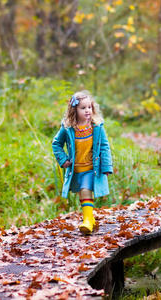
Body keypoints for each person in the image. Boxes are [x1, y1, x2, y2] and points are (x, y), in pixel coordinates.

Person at [52, 90, 113, 234]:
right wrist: (63, 159)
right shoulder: (68, 128)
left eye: (89, 107)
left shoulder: (96, 127)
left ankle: (87, 221)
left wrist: (106, 166)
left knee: (85, 190)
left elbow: (104, 146)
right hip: (76, 169)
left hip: (92, 168)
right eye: (83, 108)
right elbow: (56, 144)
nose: (87, 110)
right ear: (74, 110)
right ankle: (90, 218)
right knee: (82, 193)